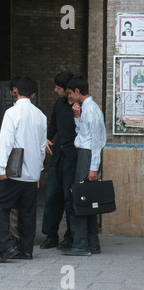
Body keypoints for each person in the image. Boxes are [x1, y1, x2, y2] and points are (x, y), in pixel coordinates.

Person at [0, 76, 47, 263]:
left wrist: (0, 167)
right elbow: (41, 147)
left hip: (13, 171)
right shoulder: (41, 115)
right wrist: (38, 171)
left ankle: (6, 247)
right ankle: (26, 250)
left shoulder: (12, 113)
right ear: (33, 94)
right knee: (27, 212)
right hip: (31, 173)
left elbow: (6, 142)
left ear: (16, 92)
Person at [62, 75, 106, 256]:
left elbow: (95, 140)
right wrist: (77, 117)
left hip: (87, 156)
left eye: (70, 93)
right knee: (87, 200)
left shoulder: (92, 110)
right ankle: (92, 244)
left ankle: (81, 244)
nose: (69, 97)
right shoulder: (86, 109)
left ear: (77, 91)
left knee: (80, 199)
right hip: (85, 154)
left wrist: (93, 167)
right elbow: (84, 133)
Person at [40, 71, 77, 250]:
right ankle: (51, 235)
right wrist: (47, 138)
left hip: (73, 157)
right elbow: (53, 124)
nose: (55, 90)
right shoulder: (59, 104)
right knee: (52, 196)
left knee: (70, 199)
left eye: (58, 88)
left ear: (68, 89)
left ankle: (70, 237)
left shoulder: (81, 107)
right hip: (57, 156)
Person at [0, 77, 21, 245]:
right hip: (5, 161)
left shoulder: (33, 111)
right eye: (13, 89)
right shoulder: (4, 110)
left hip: (20, 162)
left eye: (17, 89)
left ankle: (15, 236)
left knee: (17, 203)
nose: (15, 92)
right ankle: (12, 236)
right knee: (6, 202)